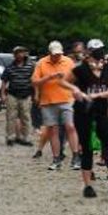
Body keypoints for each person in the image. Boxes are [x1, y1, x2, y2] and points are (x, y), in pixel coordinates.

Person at [66, 39, 108, 198]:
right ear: (89, 51)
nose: (100, 53)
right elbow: (63, 82)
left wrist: (99, 94)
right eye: (97, 50)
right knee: (87, 148)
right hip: (83, 113)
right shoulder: (80, 70)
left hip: (101, 113)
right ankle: (87, 185)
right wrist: (76, 90)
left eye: (102, 50)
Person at [31, 40, 82, 171]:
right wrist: (49, 77)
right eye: (54, 54)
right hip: (48, 101)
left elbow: (77, 78)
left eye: (59, 54)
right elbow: (35, 82)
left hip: (67, 99)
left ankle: (76, 156)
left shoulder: (68, 62)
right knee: (53, 130)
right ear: (49, 53)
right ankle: (56, 158)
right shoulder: (41, 63)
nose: (57, 56)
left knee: (70, 126)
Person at [1, 45, 35, 147]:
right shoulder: (10, 67)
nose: (19, 55)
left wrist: (36, 94)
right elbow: (4, 81)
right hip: (12, 94)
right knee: (11, 116)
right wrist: (2, 94)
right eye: (17, 53)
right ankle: (10, 137)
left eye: (21, 52)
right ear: (14, 55)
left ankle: (26, 137)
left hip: (26, 93)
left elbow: (34, 80)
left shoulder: (31, 66)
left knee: (26, 117)